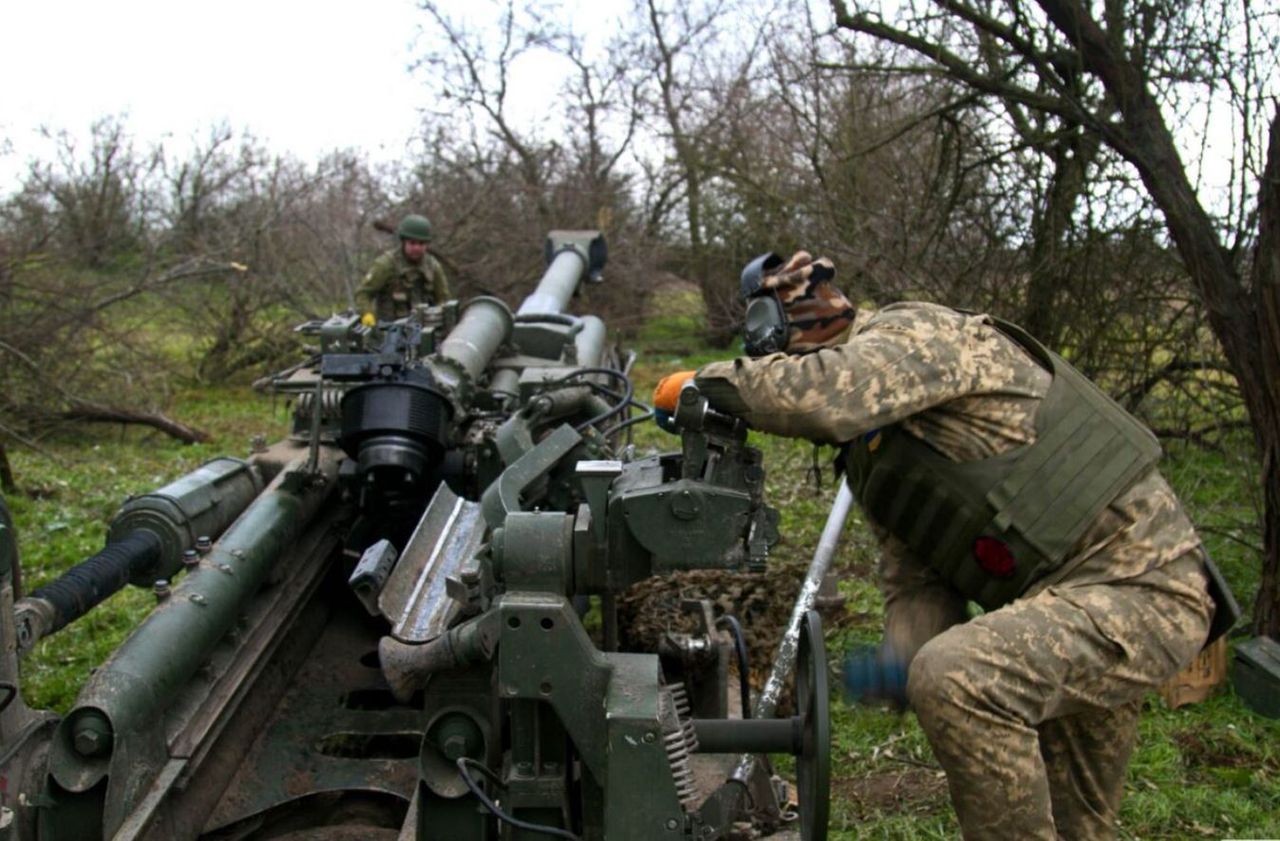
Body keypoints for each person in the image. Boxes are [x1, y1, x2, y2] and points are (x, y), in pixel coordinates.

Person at [652, 251, 1236, 841]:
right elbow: (917, 579)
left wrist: (706, 385)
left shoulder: (913, 334)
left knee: (957, 676)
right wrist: (902, 655)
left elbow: (828, 395)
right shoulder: (877, 453)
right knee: (1076, 825)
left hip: (1143, 586)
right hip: (1070, 603)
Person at [357, 213, 451, 321]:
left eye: (421, 244)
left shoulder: (433, 266)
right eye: (412, 243)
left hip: (427, 329)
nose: (416, 248)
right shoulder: (386, 264)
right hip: (391, 330)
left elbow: (443, 299)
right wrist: (367, 314)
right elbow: (363, 294)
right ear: (404, 242)